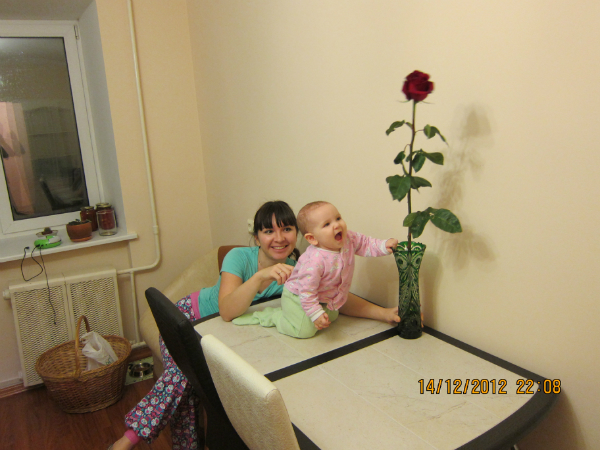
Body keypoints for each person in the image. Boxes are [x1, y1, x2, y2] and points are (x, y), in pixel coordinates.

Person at [109, 200, 299, 450]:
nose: (279, 238)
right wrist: (259, 277)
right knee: (185, 375)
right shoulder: (239, 257)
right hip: (188, 319)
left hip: (220, 335)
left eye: (287, 229)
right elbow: (227, 311)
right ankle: (128, 439)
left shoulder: (294, 270)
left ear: (297, 233)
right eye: (269, 231)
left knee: (187, 385)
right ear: (256, 237)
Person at [233, 201, 400, 338]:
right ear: (312, 238)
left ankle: (310, 312)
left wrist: (384, 246)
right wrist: (315, 314)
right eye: (327, 224)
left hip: (323, 297)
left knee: (332, 316)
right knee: (304, 331)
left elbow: (365, 243)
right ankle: (276, 316)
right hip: (297, 298)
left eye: (338, 218)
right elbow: (307, 292)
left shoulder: (348, 239)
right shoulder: (314, 261)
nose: (336, 225)